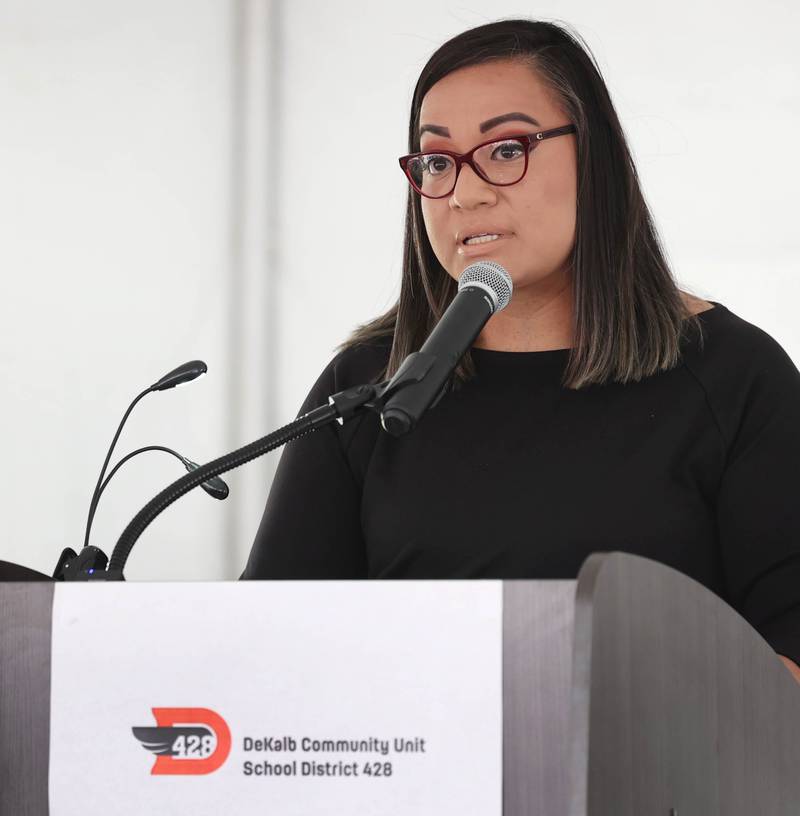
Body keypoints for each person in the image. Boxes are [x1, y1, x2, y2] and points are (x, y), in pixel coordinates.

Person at [242, 19, 800, 684]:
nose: (466, 192)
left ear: (595, 160)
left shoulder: (735, 378)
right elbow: (266, 651)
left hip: (654, 782)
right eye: (438, 162)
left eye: (506, 149)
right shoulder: (371, 387)